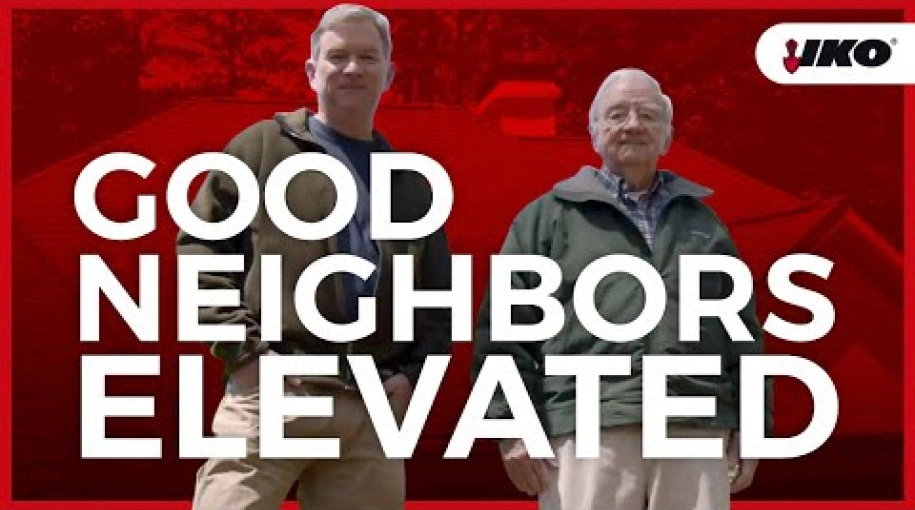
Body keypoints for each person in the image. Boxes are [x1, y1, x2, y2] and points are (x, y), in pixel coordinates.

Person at [180, 4, 453, 509]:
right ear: (311, 71)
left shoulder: (413, 185)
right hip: (275, 391)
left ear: (389, 75)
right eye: (338, 56)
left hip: (372, 410)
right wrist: (243, 353)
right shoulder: (260, 149)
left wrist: (412, 377)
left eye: (368, 57)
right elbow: (199, 250)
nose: (353, 68)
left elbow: (436, 299)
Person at [472, 68, 771, 510]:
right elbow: (505, 330)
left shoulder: (706, 226)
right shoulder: (543, 221)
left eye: (647, 115)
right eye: (617, 114)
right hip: (586, 427)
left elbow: (742, 334)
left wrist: (752, 421)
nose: (633, 124)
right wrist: (512, 426)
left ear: (667, 137)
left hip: (694, 425)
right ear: (593, 133)